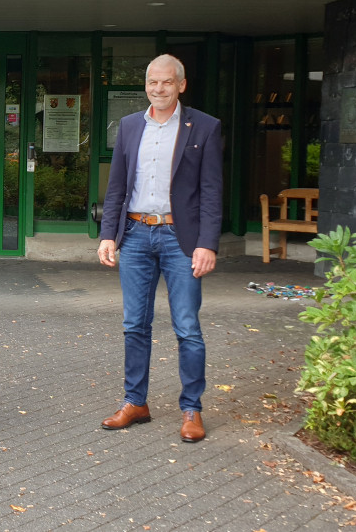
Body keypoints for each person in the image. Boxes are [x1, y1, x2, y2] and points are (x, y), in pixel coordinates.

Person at [98, 54, 222, 444]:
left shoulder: (205, 126)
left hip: (179, 239)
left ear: (181, 85)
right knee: (135, 324)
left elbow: (212, 191)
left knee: (187, 328)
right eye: (153, 82)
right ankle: (136, 402)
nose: (158, 88)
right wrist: (107, 234)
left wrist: (207, 243)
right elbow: (117, 185)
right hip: (134, 235)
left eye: (167, 82)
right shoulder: (131, 126)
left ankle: (192, 409)